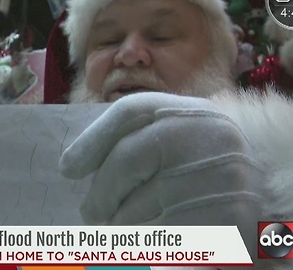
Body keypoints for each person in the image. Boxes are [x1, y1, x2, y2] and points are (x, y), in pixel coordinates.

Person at [44, 0, 293, 269]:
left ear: (219, 57)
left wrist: (263, 231)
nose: (129, 54)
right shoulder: (32, 188)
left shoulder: (273, 176)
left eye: (161, 36)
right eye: (107, 40)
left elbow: (284, 248)